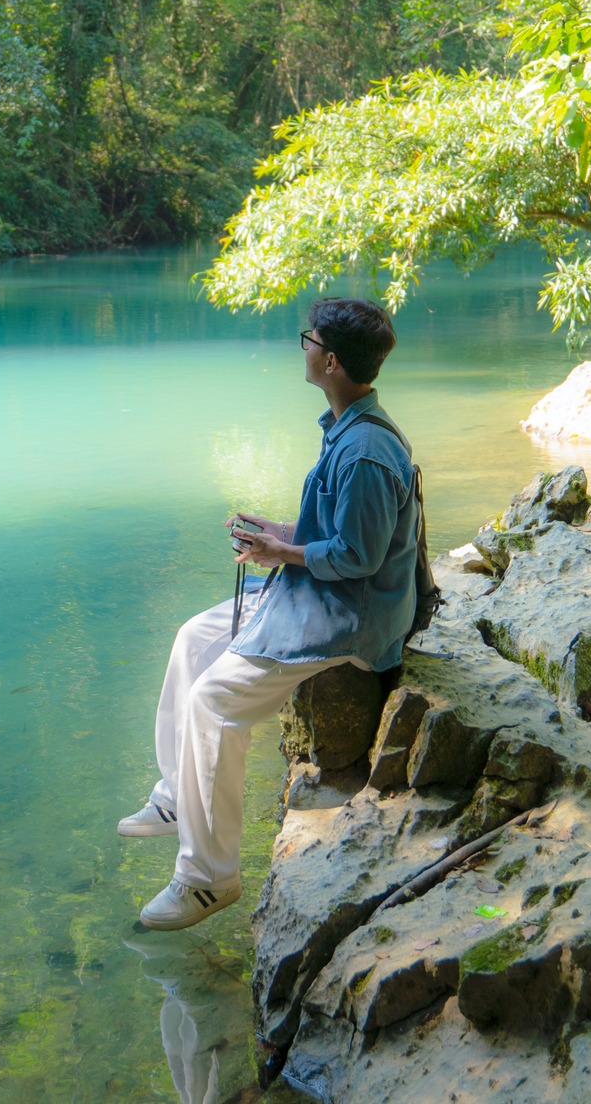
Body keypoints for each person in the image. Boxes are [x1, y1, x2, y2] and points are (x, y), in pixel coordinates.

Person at [119, 296, 420, 931]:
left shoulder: (364, 450)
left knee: (212, 703)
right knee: (193, 636)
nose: (303, 345)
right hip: (324, 591)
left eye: (308, 338)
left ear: (330, 360)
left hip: (351, 616)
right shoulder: (348, 427)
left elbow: (360, 557)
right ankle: (177, 793)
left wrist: (282, 550)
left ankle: (207, 878)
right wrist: (277, 532)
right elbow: (339, 531)